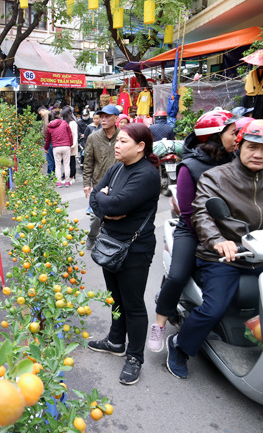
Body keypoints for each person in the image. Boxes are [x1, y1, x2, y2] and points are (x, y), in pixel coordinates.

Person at [167, 119, 263, 379]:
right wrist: (219, 240)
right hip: (224, 258)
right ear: (238, 146)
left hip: (260, 255)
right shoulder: (216, 176)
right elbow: (201, 212)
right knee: (214, 307)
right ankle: (180, 347)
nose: (259, 154)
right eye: (253, 147)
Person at [147, 110, 239, 352]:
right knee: (177, 275)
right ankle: (159, 323)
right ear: (215, 137)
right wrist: (213, 239)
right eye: (233, 133)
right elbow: (189, 214)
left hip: (229, 231)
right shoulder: (191, 166)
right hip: (192, 231)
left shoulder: (238, 161)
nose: (238, 137)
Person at [87, 123, 160, 385]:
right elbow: (96, 197)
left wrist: (106, 202)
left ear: (140, 147)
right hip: (112, 244)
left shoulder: (147, 174)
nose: (117, 145)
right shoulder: (117, 168)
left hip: (134, 248)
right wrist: (107, 206)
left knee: (133, 304)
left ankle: (135, 357)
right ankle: (116, 341)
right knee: (115, 298)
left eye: (124, 142)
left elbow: (114, 202)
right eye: (117, 141)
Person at [83, 105, 120, 247]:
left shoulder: (123, 135)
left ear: (116, 118)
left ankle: (112, 241)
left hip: (119, 182)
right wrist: (86, 183)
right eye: (101, 117)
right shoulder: (93, 137)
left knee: (118, 214)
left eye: (107, 116)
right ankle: (92, 236)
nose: (103, 120)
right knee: (95, 216)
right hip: (99, 182)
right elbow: (88, 162)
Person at [45, 109, 73, 187]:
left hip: (56, 147)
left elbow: (48, 139)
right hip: (66, 146)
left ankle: (59, 182)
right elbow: (70, 135)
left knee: (58, 165)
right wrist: (70, 144)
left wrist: (46, 148)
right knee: (66, 164)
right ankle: (67, 182)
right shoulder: (64, 123)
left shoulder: (49, 127)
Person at [62, 107, 79, 182]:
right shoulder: (66, 122)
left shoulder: (72, 123)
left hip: (71, 144)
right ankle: (69, 175)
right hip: (66, 144)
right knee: (67, 161)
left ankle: (72, 176)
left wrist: (73, 145)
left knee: (71, 160)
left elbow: (75, 135)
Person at [38, 106, 55, 175]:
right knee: (53, 157)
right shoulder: (51, 114)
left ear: (43, 110)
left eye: (40, 113)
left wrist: (45, 136)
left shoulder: (47, 114)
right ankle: (52, 173)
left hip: (49, 139)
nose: (41, 115)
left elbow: (45, 126)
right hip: (53, 138)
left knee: (49, 157)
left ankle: (50, 174)